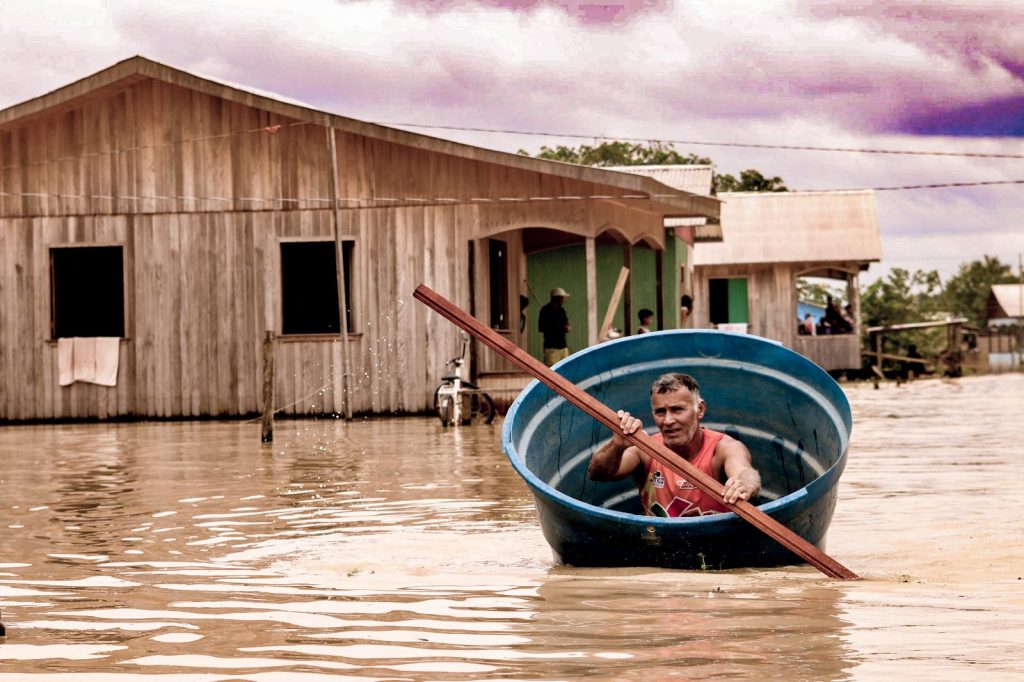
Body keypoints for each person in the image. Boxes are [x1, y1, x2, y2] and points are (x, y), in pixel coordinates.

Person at [588, 372, 761, 517]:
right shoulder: (645, 449)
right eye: (660, 412)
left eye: (677, 409)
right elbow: (597, 473)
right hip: (658, 543)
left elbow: (744, 472)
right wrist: (616, 445)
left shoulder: (722, 448)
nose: (668, 420)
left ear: (700, 410)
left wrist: (743, 485)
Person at [538, 287, 571, 366]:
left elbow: (567, 324)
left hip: (563, 347)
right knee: (552, 370)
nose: (564, 300)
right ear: (557, 298)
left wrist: (567, 327)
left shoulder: (562, 310)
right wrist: (556, 327)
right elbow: (541, 328)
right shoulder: (545, 310)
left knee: (565, 369)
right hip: (551, 348)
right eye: (562, 298)